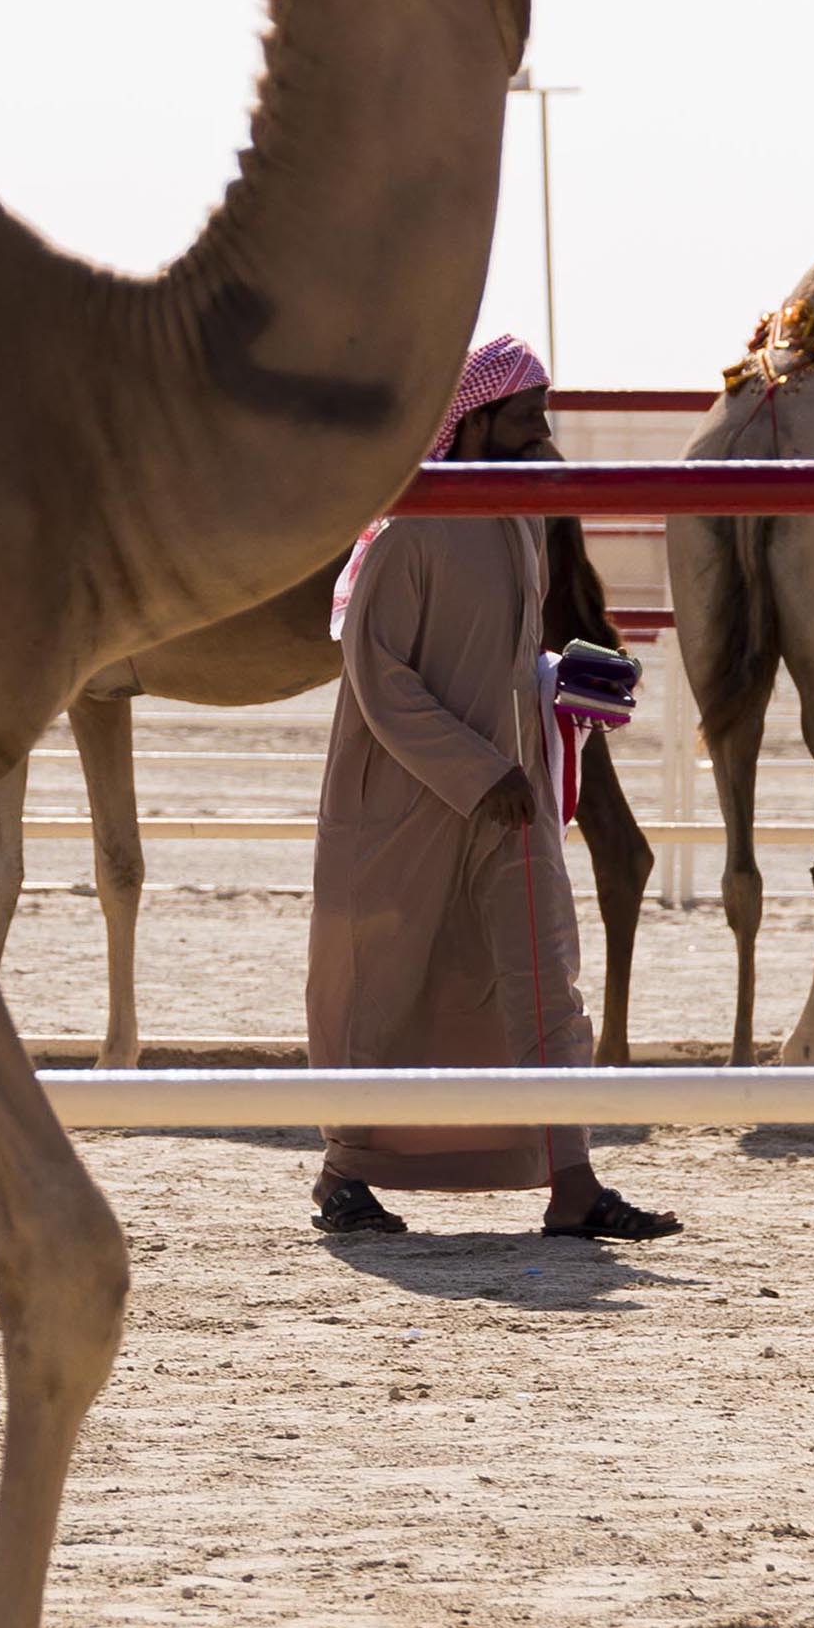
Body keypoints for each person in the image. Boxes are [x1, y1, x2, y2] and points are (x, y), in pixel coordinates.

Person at [307, 336, 677, 1241]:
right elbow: (380, 676)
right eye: (525, 423)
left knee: (545, 977)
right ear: (471, 425)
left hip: (511, 797)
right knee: (384, 985)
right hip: (408, 801)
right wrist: (479, 773)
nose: (544, 441)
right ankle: (344, 1174)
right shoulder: (405, 531)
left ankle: (572, 1182)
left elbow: (500, 659)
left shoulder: (516, 522)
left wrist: (558, 685)